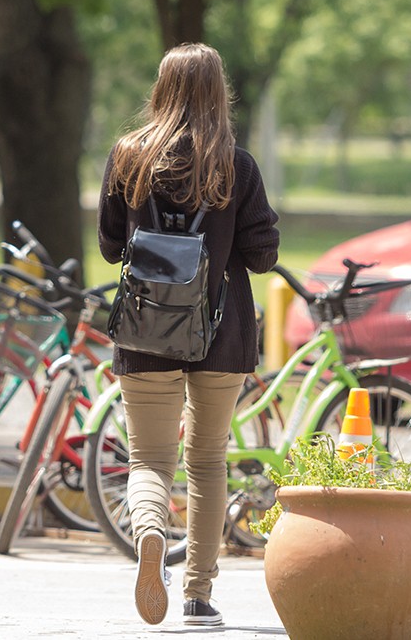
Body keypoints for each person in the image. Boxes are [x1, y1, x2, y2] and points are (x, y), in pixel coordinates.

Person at [97, 43, 280, 628]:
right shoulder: (237, 166)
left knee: (149, 459)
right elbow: (262, 255)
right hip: (222, 334)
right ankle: (199, 594)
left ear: (161, 89)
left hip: (146, 329)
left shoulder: (128, 157)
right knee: (206, 461)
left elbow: (109, 246)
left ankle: (151, 533)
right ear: (218, 94)